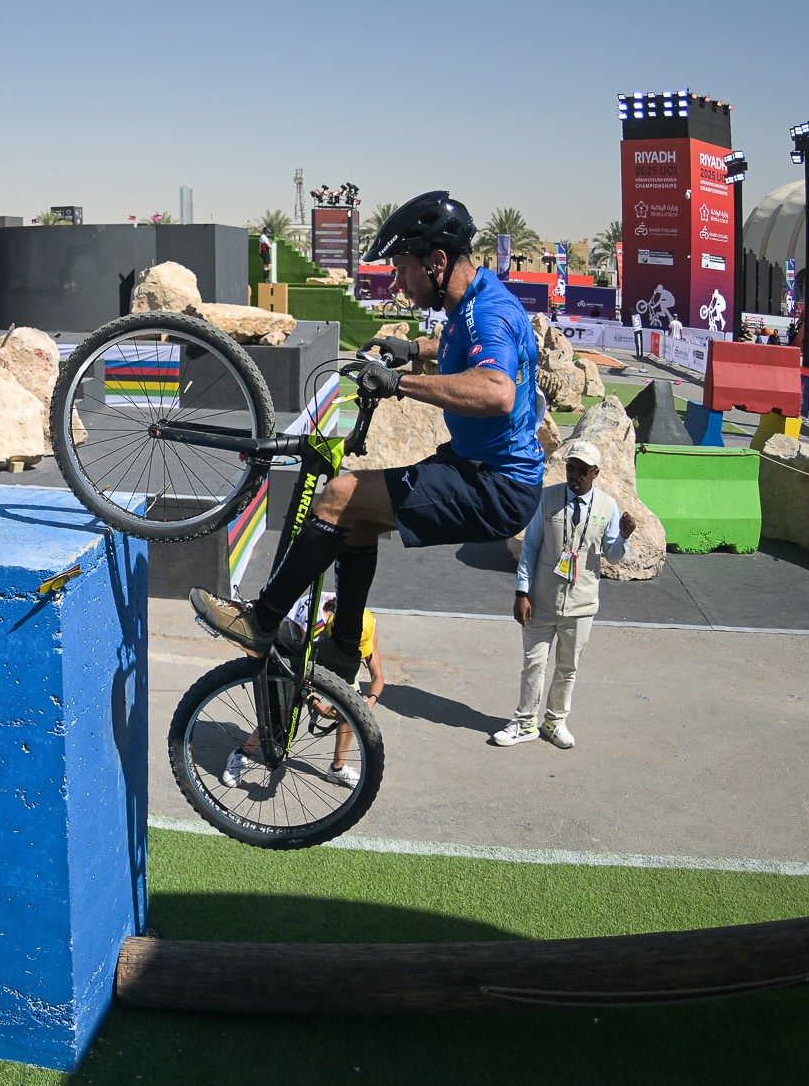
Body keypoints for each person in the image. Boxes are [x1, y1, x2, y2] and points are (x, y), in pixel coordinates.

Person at [190, 191, 545, 669]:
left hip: (494, 485)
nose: (398, 282)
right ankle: (343, 648)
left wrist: (401, 383)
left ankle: (262, 622)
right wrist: (415, 346)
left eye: (402, 268)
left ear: (437, 261)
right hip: (480, 467)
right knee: (356, 516)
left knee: (337, 496)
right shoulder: (476, 301)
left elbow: (497, 390)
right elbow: (464, 342)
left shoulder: (488, 312)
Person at [493, 441, 636, 750]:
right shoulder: (547, 498)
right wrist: (521, 592)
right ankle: (525, 721)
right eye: (571, 468)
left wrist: (623, 535)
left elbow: (611, 556)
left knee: (567, 667)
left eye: (581, 471)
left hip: (581, 604)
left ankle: (555, 721)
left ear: (595, 473)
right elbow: (530, 547)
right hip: (541, 599)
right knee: (533, 662)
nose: (574, 475)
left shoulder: (607, 507)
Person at [221, 592, 385, 789]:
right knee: (282, 721)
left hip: (335, 653)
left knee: (352, 709)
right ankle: (242, 753)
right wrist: (317, 705)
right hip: (296, 646)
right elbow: (298, 679)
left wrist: (370, 701)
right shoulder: (312, 627)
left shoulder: (366, 626)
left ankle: (338, 769)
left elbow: (378, 676)